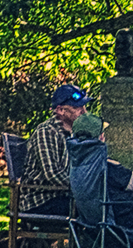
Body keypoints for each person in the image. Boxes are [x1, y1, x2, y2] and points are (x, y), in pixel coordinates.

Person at [21, 84, 91, 215]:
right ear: (60, 110)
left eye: (84, 106)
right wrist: (85, 187)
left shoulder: (78, 133)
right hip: (43, 200)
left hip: (67, 195)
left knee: (111, 201)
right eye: (76, 107)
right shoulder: (47, 132)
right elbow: (53, 174)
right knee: (96, 209)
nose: (83, 111)